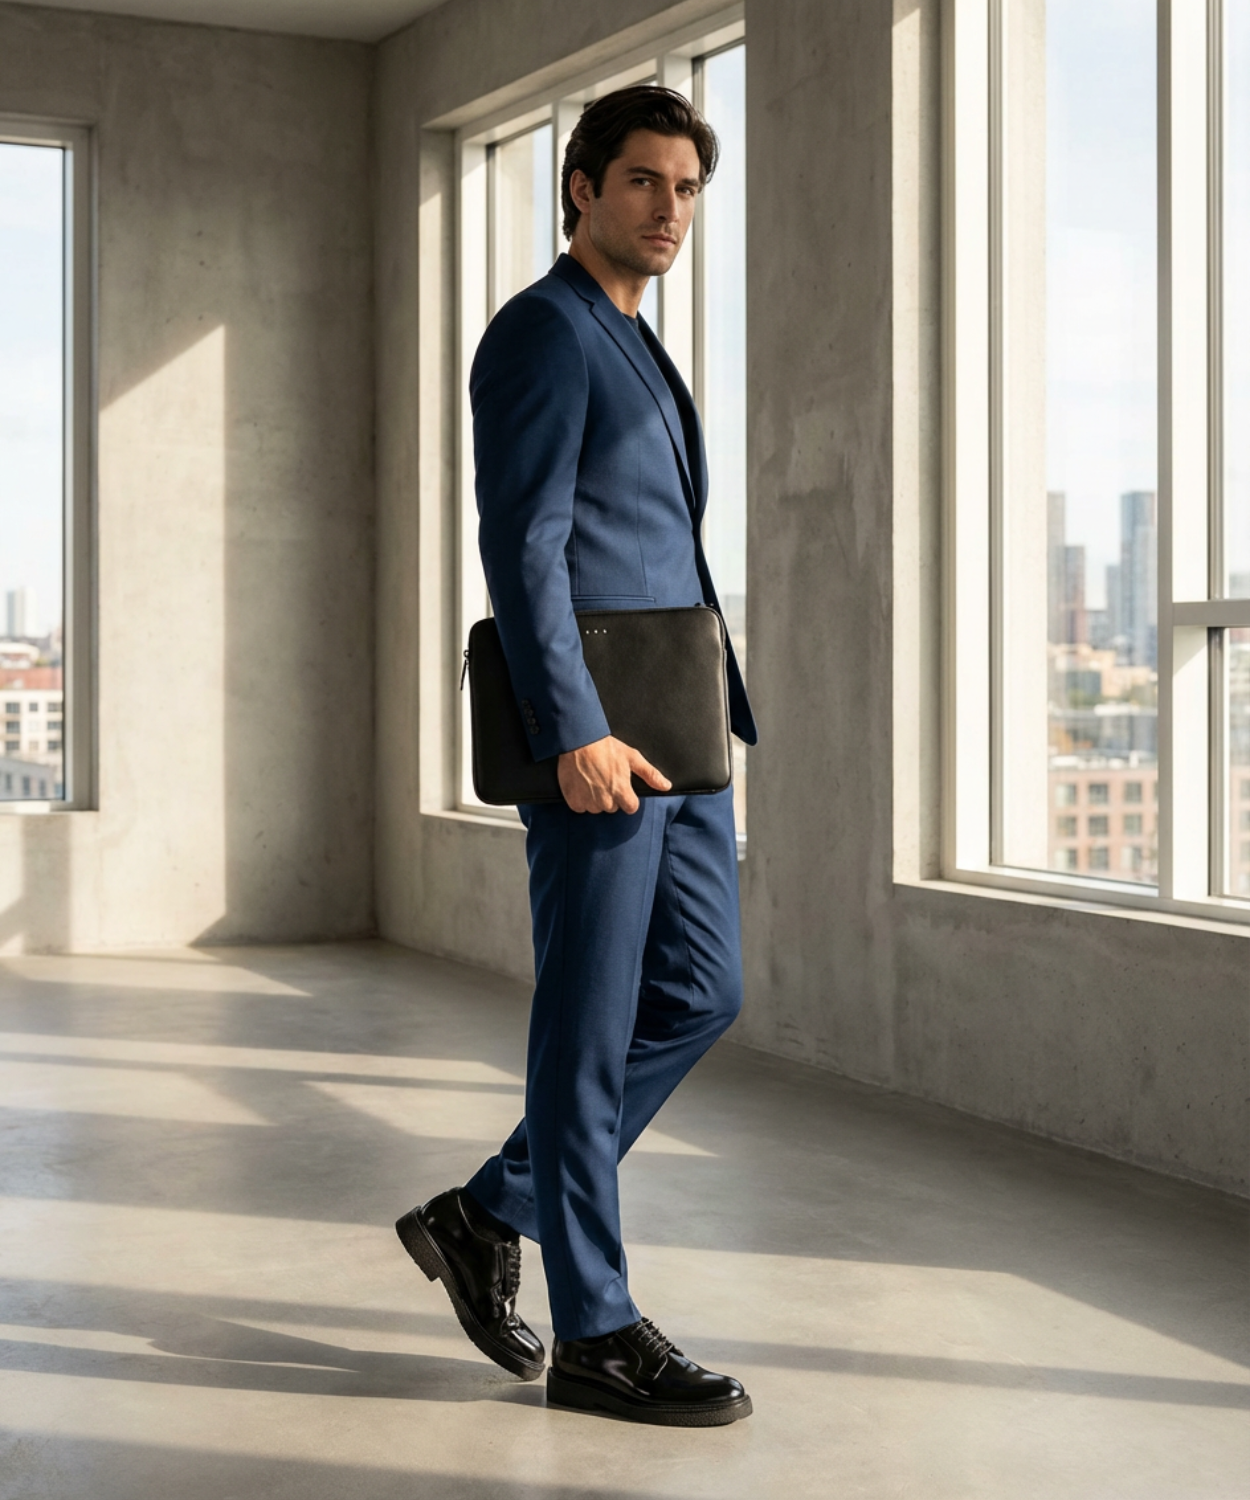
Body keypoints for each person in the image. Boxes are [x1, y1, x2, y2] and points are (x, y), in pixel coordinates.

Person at [396, 84, 757, 1428]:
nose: (667, 210)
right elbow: (525, 546)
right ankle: (597, 1330)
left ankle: (490, 1205)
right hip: (601, 745)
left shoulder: (638, 344)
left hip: (679, 736)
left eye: (684, 188)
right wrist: (574, 735)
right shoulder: (543, 334)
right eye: (642, 183)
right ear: (581, 188)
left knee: (702, 992)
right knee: (588, 1026)